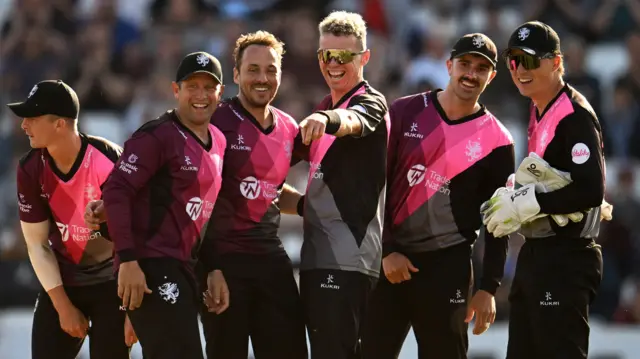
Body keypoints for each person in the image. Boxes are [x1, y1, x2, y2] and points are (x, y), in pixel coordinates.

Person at [360, 33, 515, 359]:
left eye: (481, 68)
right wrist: (387, 249)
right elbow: (374, 182)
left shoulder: (498, 140)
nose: (471, 74)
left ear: (492, 77)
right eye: (465, 64)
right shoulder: (405, 111)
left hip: (449, 266)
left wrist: (488, 287)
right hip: (391, 262)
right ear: (449, 65)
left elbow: (498, 220)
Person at [481, 21, 605, 359]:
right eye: (513, 61)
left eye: (531, 61)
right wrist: (516, 192)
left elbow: (591, 190)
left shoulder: (574, 115)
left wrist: (528, 202)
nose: (520, 69)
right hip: (539, 257)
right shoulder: (539, 106)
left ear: (557, 63)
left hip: (566, 260)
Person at [94, 51, 227, 359]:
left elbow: (205, 212)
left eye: (209, 87)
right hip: (149, 265)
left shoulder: (218, 140)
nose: (201, 95)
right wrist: (127, 261)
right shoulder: (156, 135)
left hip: (184, 267)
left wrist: (214, 266)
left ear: (220, 93)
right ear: (175, 90)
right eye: (192, 86)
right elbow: (116, 191)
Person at [279, 10, 390, 359]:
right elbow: (276, 161)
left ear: (365, 58)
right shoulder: (326, 105)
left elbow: (354, 121)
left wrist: (326, 119)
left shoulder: (368, 102)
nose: (335, 63)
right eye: (328, 55)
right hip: (319, 258)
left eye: (345, 56)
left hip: (348, 261)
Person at [197, 31, 307, 359]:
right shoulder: (215, 121)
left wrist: (305, 205)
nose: (263, 78)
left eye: (271, 70)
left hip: (271, 262)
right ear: (236, 75)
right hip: (223, 264)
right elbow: (194, 197)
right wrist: (209, 267)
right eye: (253, 69)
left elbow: (269, 190)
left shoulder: (289, 128)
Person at [11, 79, 135, 359]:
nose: (23, 125)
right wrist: (63, 307)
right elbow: (37, 245)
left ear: (60, 124)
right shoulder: (30, 168)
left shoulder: (109, 157)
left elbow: (139, 230)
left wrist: (135, 307)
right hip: (63, 282)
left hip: (113, 286)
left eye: (32, 118)